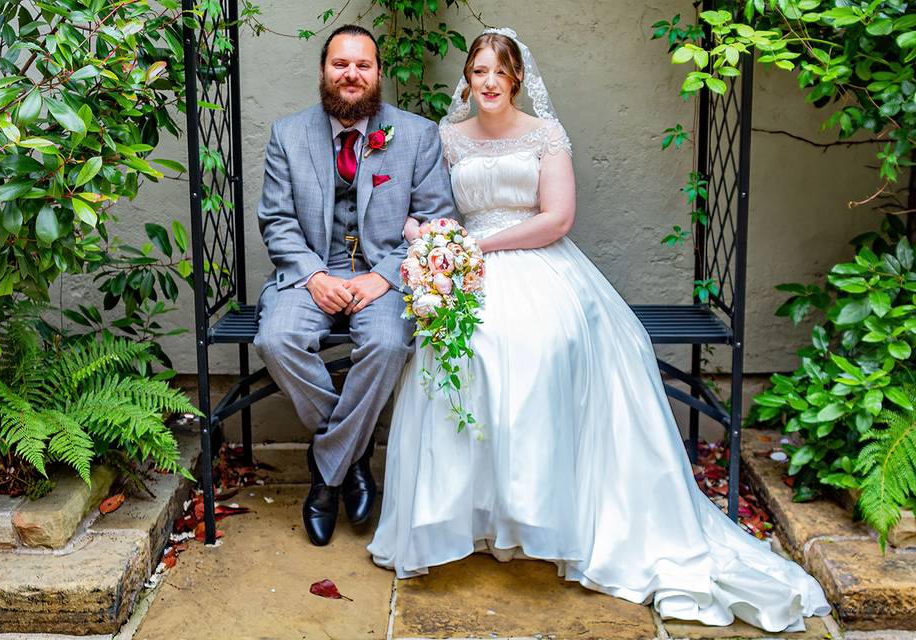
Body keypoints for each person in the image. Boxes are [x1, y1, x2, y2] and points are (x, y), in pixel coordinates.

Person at [368, 28, 831, 632]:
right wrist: (429, 238)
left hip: (536, 261)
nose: (487, 82)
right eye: (478, 71)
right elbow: (432, 206)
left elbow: (557, 219)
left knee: (537, 345)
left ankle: (541, 513)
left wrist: (480, 244)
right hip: (467, 268)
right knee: (457, 351)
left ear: (516, 80)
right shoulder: (447, 138)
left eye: (498, 73)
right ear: (468, 77)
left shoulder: (545, 136)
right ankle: (473, 516)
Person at [254, 24, 455, 546]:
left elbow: (435, 223)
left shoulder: (416, 135)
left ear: (378, 73)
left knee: (389, 343)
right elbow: (276, 221)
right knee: (275, 340)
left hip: (383, 277)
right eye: (341, 64)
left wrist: (382, 276)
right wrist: (315, 276)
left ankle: (325, 478)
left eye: (362, 65)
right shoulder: (287, 134)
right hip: (308, 274)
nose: (351, 74)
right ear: (323, 70)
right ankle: (351, 454)